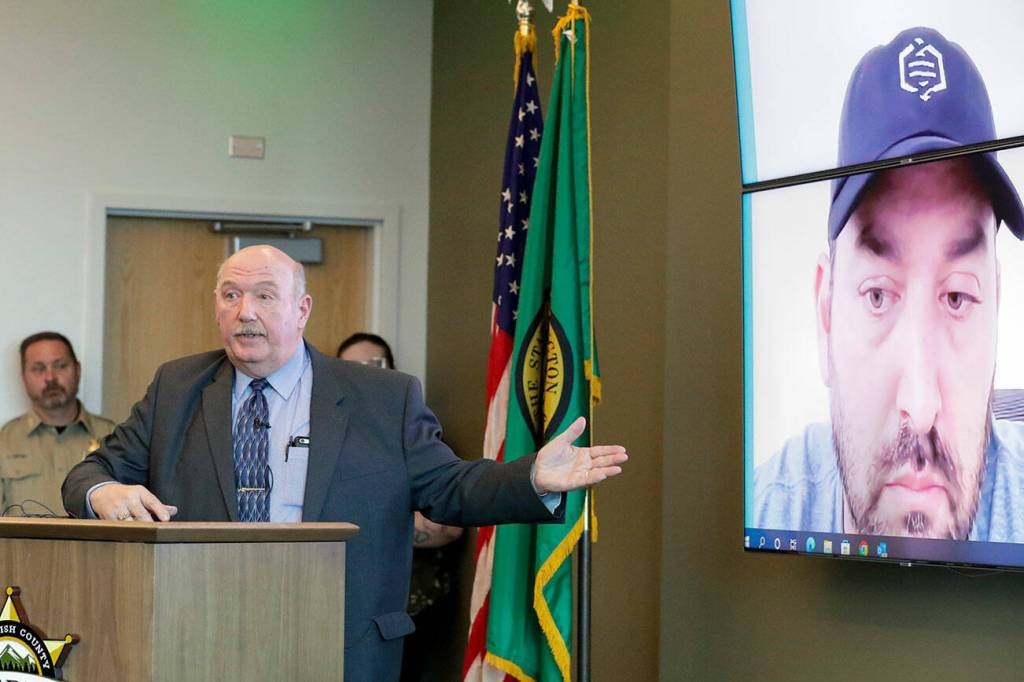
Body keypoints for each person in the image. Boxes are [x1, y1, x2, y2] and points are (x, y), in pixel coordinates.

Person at [61, 245, 627, 681]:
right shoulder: (177, 387)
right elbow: (89, 474)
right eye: (230, 295)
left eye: (265, 296)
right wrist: (102, 493)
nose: (245, 312)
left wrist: (531, 478)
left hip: (340, 640)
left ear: (302, 309)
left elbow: (449, 486)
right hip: (203, 636)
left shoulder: (382, 398)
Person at [753, 26, 1024, 541]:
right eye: (877, 295)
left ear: (996, 308)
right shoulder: (768, 507)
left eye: (958, 296)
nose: (919, 409)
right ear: (825, 315)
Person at [337, 332, 463, 682]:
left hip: (411, 610)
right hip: (336, 607)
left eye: (372, 366)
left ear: (391, 371)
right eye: (351, 369)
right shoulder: (319, 438)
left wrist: (369, 522)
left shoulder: (416, 432)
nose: (363, 376)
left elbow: (449, 527)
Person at [0, 332, 115, 517]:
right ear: (23, 378)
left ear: (78, 370)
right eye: (39, 369)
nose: (50, 377)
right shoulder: (4, 442)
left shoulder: (114, 436)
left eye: (60, 366)